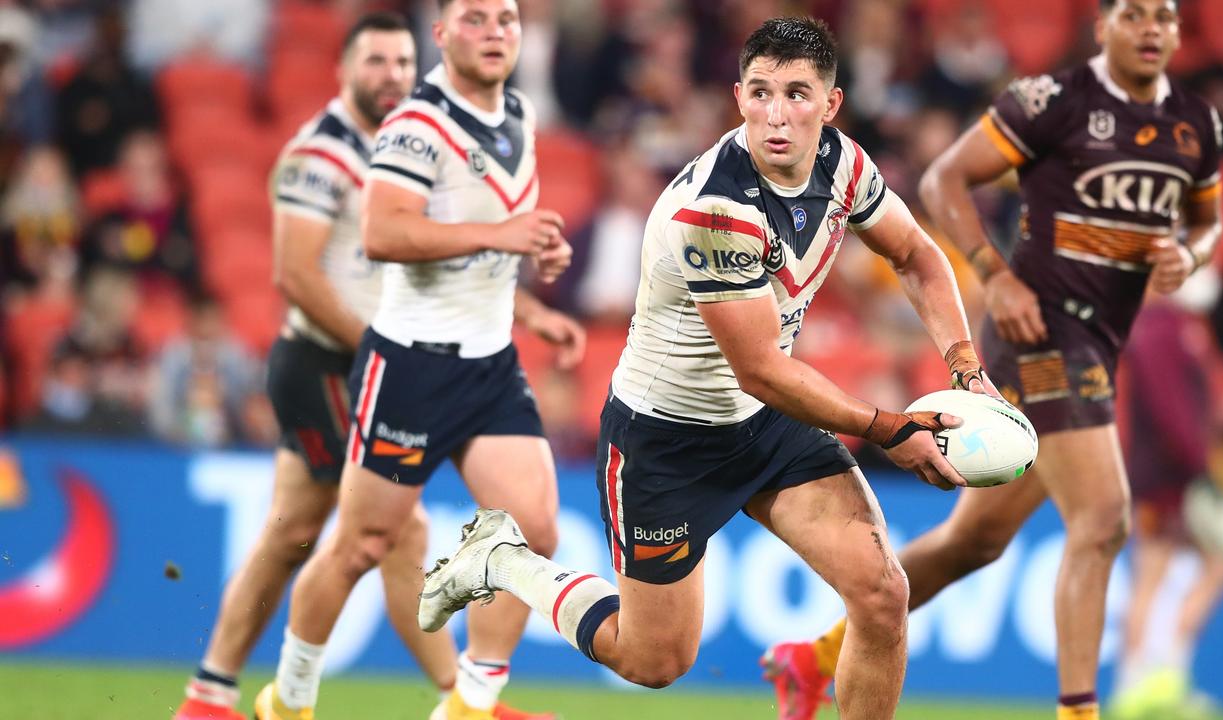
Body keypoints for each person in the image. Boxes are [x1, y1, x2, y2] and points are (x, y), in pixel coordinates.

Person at [417, 17, 991, 720]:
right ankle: (500, 562)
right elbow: (760, 369)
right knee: (652, 661)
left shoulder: (843, 164)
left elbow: (916, 256)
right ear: (737, 96)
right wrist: (886, 427)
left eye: (797, 94)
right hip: (666, 441)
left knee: (881, 594)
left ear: (831, 105)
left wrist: (966, 369)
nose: (776, 115)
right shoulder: (716, 210)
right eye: (759, 92)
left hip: (765, 427)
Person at [761, 3, 1223, 719]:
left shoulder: (1197, 124)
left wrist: (1187, 253)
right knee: (1102, 519)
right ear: (1101, 25)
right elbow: (945, 179)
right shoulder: (1049, 103)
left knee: (971, 543)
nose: (1151, 27)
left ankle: (811, 658)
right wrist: (993, 272)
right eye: (1132, 13)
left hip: (1099, 344)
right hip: (1037, 332)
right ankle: (1079, 712)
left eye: (1164, 13)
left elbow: (1207, 220)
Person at [254, 1, 581, 719]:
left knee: (532, 529)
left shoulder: (519, 115)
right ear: (439, 34)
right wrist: (503, 231)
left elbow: (495, 233)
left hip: (489, 365)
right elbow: (384, 233)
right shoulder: (415, 124)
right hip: (409, 366)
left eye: (505, 18)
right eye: (473, 19)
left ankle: (470, 703)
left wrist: (536, 256)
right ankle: (290, 698)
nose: (494, 32)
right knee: (361, 543)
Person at [171, 14, 458, 720]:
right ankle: (466, 702)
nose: (390, 76)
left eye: (401, 63)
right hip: (328, 364)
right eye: (375, 62)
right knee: (401, 529)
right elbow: (295, 275)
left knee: (293, 531)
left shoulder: (405, 154)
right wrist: (382, 349)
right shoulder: (319, 153)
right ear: (342, 70)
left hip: (358, 364)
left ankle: (209, 694)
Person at [1112, 275, 1223, 720]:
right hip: (1171, 478)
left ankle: (1146, 682)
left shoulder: (1169, 329)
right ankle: (1155, 678)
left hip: (1161, 474)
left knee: (1155, 572)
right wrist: (1200, 466)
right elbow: (1173, 409)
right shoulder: (1166, 331)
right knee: (1194, 567)